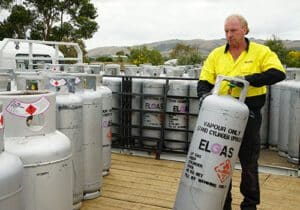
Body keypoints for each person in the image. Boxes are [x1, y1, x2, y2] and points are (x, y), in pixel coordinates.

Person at [197, 14, 286, 210]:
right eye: (226, 31)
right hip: (220, 116)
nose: (229, 35)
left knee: (248, 163)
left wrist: (246, 79)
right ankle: (223, 203)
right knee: (219, 160)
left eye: (233, 30)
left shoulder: (261, 52)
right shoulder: (216, 54)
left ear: (245, 30)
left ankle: (250, 205)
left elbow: (278, 73)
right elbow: (204, 82)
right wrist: (203, 96)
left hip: (249, 114)